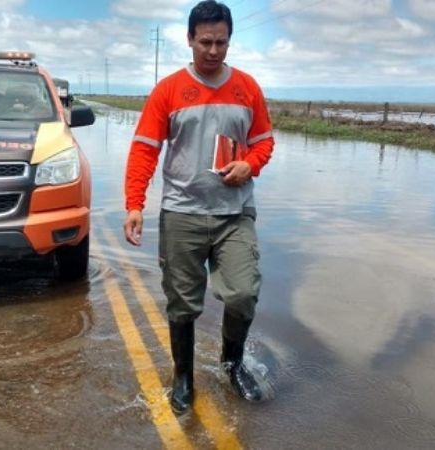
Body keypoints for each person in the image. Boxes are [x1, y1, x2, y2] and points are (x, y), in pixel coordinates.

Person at [123, 0, 275, 415]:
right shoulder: (169, 91)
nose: (213, 51)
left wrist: (250, 164)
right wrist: (134, 204)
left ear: (230, 41)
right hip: (182, 214)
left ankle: (232, 364)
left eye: (221, 42)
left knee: (243, 293)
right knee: (182, 302)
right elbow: (144, 151)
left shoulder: (247, 87)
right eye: (205, 42)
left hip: (234, 213)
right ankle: (184, 377)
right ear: (189, 39)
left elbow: (264, 141)